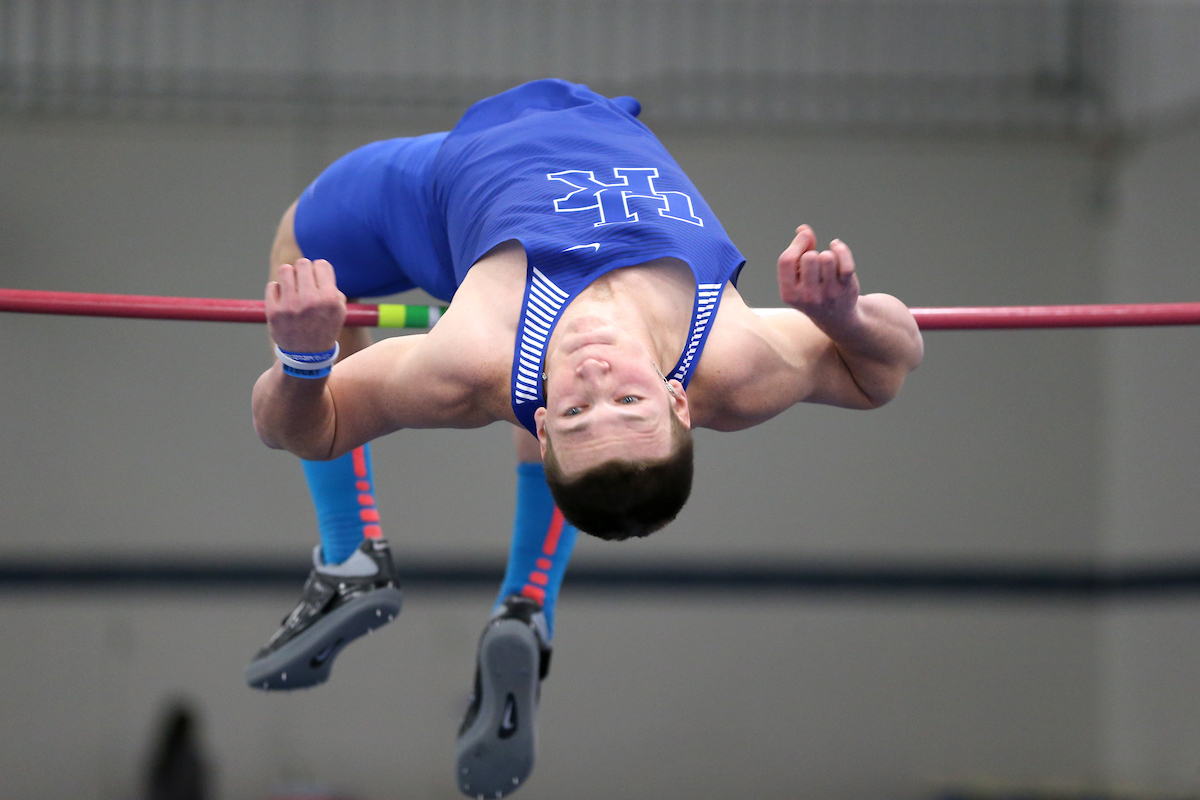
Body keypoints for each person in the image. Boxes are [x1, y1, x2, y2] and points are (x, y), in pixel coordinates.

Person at [249, 79, 924, 798]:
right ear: (677, 400)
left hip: (456, 179)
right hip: (591, 121)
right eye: (629, 401)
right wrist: (845, 318)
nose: (595, 374)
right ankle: (526, 602)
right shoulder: (735, 363)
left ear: (541, 422)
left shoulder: (475, 357)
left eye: (573, 413)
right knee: (567, 408)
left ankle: (349, 554)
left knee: (299, 243)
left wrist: (305, 359)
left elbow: (300, 427)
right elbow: (885, 371)